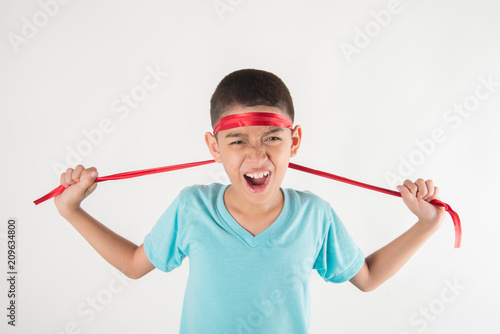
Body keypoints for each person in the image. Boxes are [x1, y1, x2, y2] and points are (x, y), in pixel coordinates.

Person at [54, 69, 446, 333]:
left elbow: (368, 277)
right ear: (214, 147)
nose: (257, 157)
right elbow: (133, 264)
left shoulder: (314, 215)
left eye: (272, 139)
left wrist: (426, 224)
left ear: (294, 142)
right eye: (237, 140)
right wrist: (72, 211)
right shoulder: (192, 208)